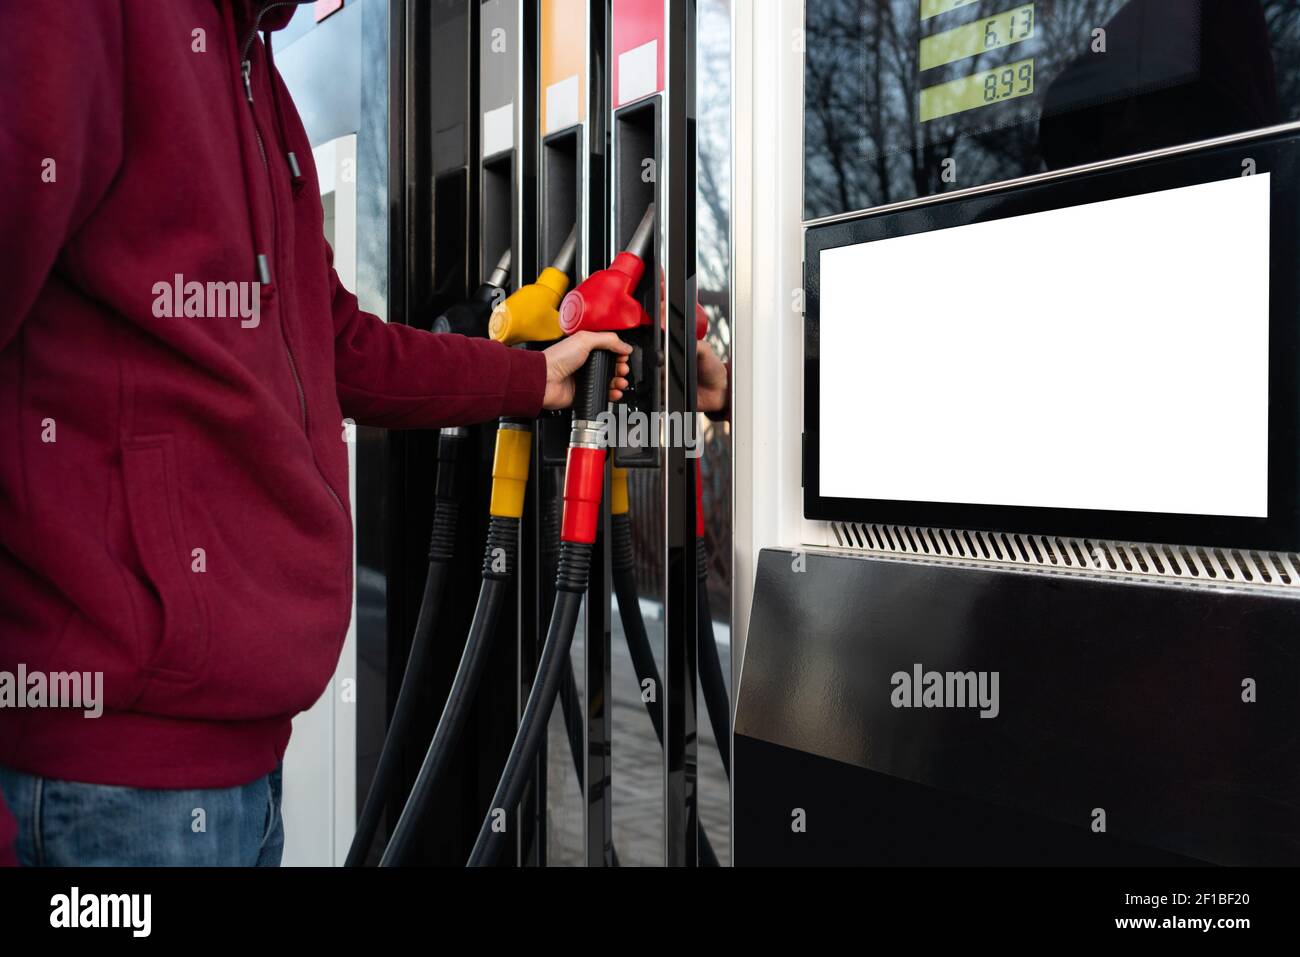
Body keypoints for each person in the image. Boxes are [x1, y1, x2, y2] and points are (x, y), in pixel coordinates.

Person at [0, 0, 726, 866]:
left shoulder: (255, 76)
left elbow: (336, 343)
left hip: (236, 767)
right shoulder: (81, 19)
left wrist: (534, 378)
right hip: (102, 780)